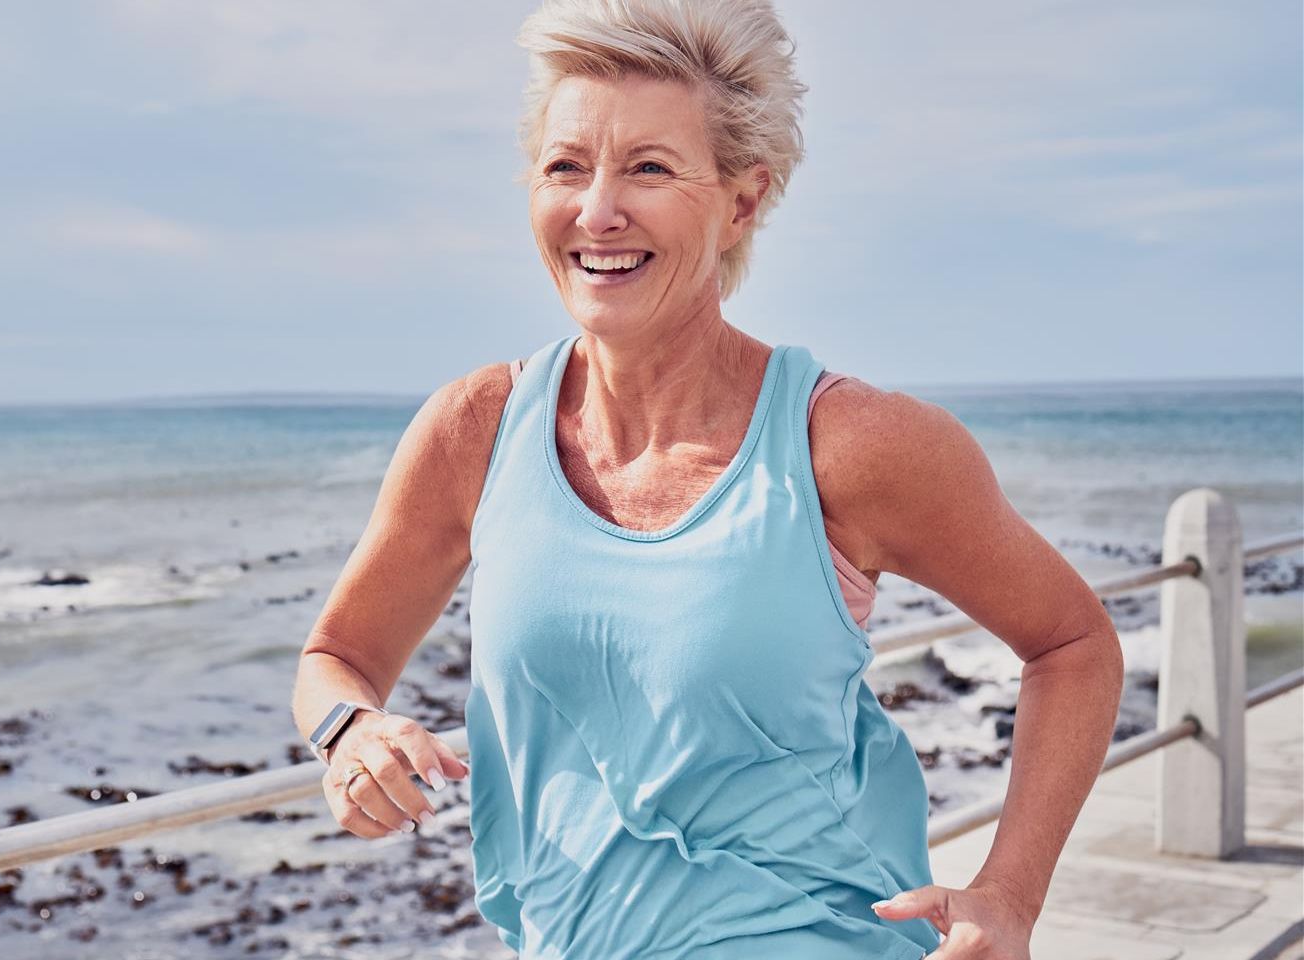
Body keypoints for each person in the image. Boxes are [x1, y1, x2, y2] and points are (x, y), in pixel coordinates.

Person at [290, 0, 1125, 956]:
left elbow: (1072, 642)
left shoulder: (849, 445)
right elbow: (336, 656)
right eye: (566, 166)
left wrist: (1009, 896)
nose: (597, 210)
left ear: (742, 201)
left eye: (648, 168)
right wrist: (352, 734)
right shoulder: (475, 430)